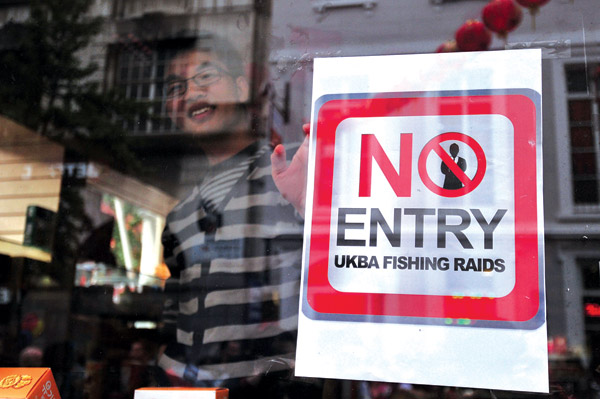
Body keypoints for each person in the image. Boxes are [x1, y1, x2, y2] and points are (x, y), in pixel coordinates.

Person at [157, 33, 314, 398]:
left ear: (241, 87)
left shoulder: (291, 173)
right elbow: (174, 317)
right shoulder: (180, 215)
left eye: (206, 76)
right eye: (177, 87)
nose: (191, 93)